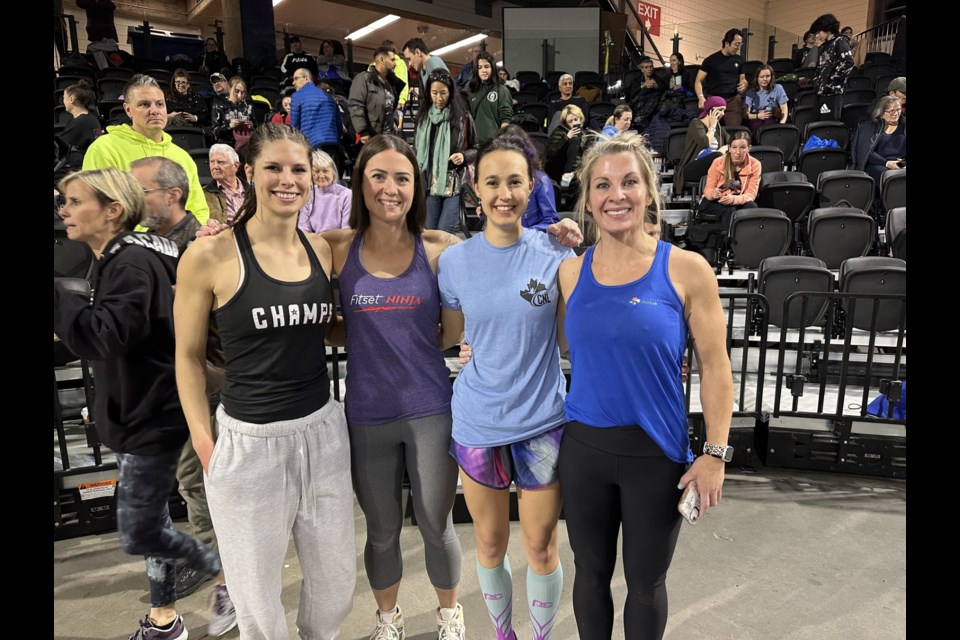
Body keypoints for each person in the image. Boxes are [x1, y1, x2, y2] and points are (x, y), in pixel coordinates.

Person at [174, 122, 355, 640]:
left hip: (322, 432)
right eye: (273, 167)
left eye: (299, 169)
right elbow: (186, 357)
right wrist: (203, 439)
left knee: (336, 583)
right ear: (249, 172)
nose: (288, 179)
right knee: (255, 597)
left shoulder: (322, 249)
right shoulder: (208, 255)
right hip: (249, 441)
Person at [557, 132, 733, 640]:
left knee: (646, 583)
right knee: (589, 575)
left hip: (655, 457)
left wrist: (715, 453)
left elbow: (715, 366)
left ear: (650, 191)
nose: (617, 195)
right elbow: (563, 345)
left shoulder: (685, 269)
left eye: (630, 182)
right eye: (603, 185)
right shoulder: (571, 273)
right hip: (584, 450)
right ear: (587, 199)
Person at [54, 167, 236, 640]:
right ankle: (167, 618)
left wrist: (57, 295)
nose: (63, 211)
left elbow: (105, 335)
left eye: (74, 201)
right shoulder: (130, 254)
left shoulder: (130, 260)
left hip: (152, 412)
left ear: (112, 210)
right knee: (151, 523)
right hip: (144, 407)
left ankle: (225, 581)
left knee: (145, 528)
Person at [438, 134, 575, 640]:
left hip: (542, 422)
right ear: (475, 187)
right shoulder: (454, 262)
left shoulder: (555, 252)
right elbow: (453, 336)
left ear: (531, 184)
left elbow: (565, 338)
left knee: (540, 547)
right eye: (492, 181)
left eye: (515, 181)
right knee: (490, 545)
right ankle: (502, 635)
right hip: (478, 424)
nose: (503, 192)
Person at [82, 74, 210, 223]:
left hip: (182, 243)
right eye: (145, 104)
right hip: (129, 245)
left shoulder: (182, 157)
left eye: (160, 104)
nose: (155, 111)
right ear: (128, 110)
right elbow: (98, 212)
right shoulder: (104, 149)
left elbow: (199, 210)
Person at [415, 71, 477, 234]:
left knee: (444, 231)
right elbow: (418, 152)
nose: (439, 98)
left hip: (454, 183)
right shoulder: (423, 118)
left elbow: (476, 148)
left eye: (443, 93)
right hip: (430, 184)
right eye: (434, 93)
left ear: (450, 93)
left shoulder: (462, 118)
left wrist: (464, 156)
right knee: (429, 231)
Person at [130, 156, 203, 254]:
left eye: (142, 192)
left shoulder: (198, 246)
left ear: (172, 196)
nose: (133, 200)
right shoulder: (152, 235)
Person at [498, 125, 561, 232]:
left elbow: (551, 221)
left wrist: (522, 234)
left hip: (531, 242)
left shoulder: (540, 181)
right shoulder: (496, 181)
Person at [698, 130, 761, 238]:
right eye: (734, 147)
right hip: (715, 202)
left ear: (749, 148)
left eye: (742, 147)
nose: (737, 152)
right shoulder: (718, 162)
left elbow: (751, 194)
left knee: (752, 206)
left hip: (738, 200)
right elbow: (708, 189)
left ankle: (748, 240)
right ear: (729, 148)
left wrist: (733, 200)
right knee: (730, 210)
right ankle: (728, 243)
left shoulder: (755, 165)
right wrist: (713, 194)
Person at [290, 68, 344, 177]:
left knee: (314, 185)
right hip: (332, 146)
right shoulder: (329, 97)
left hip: (311, 147)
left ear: (306, 78)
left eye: (296, 78)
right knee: (332, 183)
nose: (293, 83)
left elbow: (294, 126)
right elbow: (339, 124)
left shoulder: (297, 96)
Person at [672, 96, 730, 197]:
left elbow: (731, 142)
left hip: (712, 167)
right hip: (692, 167)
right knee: (717, 155)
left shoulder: (719, 127)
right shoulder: (696, 123)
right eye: (720, 110)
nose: (723, 114)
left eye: (724, 110)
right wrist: (712, 127)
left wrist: (728, 147)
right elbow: (705, 143)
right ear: (711, 110)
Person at [695, 28, 748, 126]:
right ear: (727, 43)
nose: (738, 47)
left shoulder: (739, 60)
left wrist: (744, 84)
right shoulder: (710, 60)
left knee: (734, 131)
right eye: (736, 44)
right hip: (715, 99)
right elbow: (698, 81)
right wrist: (701, 97)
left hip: (733, 101)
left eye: (740, 44)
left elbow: (743, 79)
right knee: (712, 130)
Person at [851, 96, 906, 188]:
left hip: (901, 163)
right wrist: (887, 163)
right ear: (881, 112)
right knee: (890, 176)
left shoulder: (904, 126)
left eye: (898, 110)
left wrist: (902, 163)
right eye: (892, 111)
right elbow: (866, 152)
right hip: (877, 164)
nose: (896, 113)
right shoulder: (869, 127)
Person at [349, 46, 402, 142]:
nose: (395, 64)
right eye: (392, 60)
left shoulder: (391, 83)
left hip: (390, 137)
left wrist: (395, 120)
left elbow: (392, 105)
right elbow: (356, 105)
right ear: (382, 60)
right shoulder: (364, 79)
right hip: (372, 136)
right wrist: (363, 131)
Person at [809, 14, 854, 122]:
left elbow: (848, 63)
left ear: (827, 29)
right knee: (816, 123)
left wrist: (831, 81)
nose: (817, 36)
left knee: (829, 124)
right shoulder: (825, 45)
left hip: (833, 93)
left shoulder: (840, 41)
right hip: (822, 92)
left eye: (818, 32)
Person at [298, 149, 352, 233]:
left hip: (341, 243)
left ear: (333, 171)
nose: (321, 176)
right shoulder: (307, 195)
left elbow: (347, 231)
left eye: (325, 171)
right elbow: (304, 230)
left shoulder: (347, 195)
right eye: (317, 171)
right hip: (314, 244)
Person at [467, 52, 513, 145]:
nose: (483, 70)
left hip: (493, 144)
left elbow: (505, 119)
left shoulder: (501, 90)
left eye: (486, 66)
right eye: (480, 67)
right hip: (474, 145)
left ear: (492, 68)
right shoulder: (471, 91)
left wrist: (500, 142)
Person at [59, 80, 102, 166]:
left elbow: (60, 147)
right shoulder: (91, 118)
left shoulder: (79, 123)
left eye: (64, 97)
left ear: (72, 99)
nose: (63, 101)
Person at [203, 143, 246, 225]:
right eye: (212, 162)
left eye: (220, 162)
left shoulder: (252, 191)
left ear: (236, 166)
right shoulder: (204, 194)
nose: (215, 166)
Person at [546, 103, 585, 184]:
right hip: (560, 168)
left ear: (580, 119)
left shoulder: (585, 134)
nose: (574, 123)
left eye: (576, 119)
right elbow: (551, 153)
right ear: (566, 123)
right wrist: (567, 138)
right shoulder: (558, 131)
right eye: (570, 121)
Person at [211, 76, 254, 149]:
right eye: (236, 91)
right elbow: (215, 132)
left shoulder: (248, 106)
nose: (239, 95)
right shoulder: (218, 105)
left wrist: (252, 126)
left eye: (242, 92)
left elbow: (257, 127)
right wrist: (229, 126)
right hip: (225, 144)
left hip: (245, 144)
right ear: (229, 88)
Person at [744, 64, 789, 135]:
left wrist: (782, 124)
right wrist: (757, 116)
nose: (765, 79)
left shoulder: (778, 88)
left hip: (772, 118)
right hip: (756, 118)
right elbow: (746, 115)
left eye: (768, 76)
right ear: (757, 78)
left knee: (770, 125)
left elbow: (784, 109)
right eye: (762, 77)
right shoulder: (750, 92)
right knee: (756, 126)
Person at [627, 56, 666, 132]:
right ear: (642, 69)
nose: (649, 69)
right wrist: (643, 85)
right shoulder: (636, 81)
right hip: (638, 105)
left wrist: (656, 86)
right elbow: (631, 95)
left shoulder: (657, 78)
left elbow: (664, 89)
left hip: (653, 107)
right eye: (646, 67)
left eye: (651, 67)